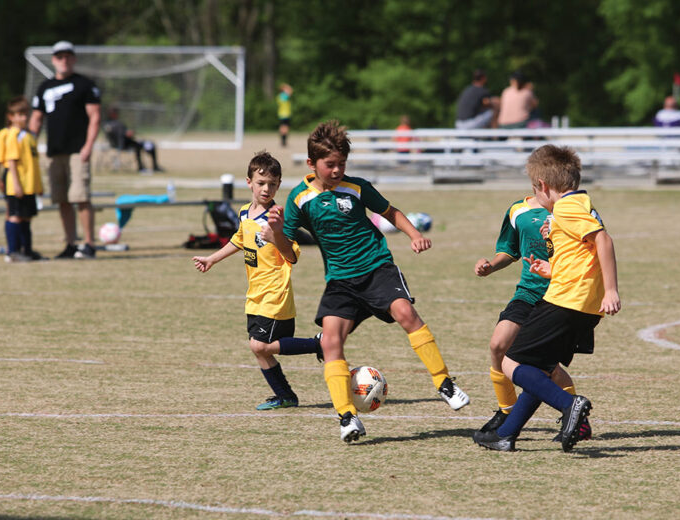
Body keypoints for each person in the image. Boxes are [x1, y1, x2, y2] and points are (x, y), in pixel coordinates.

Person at [265, 120, 470, 443]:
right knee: (331, 341)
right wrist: (276, 232)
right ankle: (347, 417)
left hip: (377, 268)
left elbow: (391, 213)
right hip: (340, 281)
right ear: (311, 164)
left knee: (406, 313)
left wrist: (414, 234)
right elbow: (289, 253)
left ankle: (444, 382)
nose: (336, 170)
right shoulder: (299, 199)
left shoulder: (357, 187)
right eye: (329, 164)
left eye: (341, 164)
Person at [472, 144, 620, 453]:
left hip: (566, 300)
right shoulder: (581, 203)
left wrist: (611, 290)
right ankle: (506, 434)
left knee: (512, 362)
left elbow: (603, 241)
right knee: (538, 370)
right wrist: (553, 268)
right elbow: (585, 254)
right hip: (581, 302)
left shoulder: (565, 207)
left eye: (535, 191)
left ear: (543, 187)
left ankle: (570, 404)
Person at [192, 151, 323, 410]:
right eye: (261, 183)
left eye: (272, 184)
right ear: (249, 182)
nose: (266, 189)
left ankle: (320, 344)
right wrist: (212, 259)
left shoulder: (277, 220)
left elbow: (292, 256)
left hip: (275, 294)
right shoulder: (244, 213)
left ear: (279, 185)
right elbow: (239, 240)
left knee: (259, 345)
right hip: (255, 295)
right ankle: (285, 396)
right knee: (259, 350)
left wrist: (276, 237)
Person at [473, 195, 590, 441]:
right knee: (498, 346)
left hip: (558, 295)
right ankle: (506, 412)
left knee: (549, 368)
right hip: (527, 292)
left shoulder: (569, 210)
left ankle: (579, 421)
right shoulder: (518, 210)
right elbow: (509, 250)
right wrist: (491, 265)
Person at [29, 40, 101, 260]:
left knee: (80, 196)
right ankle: (70, 244)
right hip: (54, 151)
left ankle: (88, 244)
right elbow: (36, 119)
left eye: (68, 56)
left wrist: (88, 146)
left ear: (74, 59)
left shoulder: (84, 85)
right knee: (62, 200)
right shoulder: (45, 87)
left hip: (77, 151)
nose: (64, 61)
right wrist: (29, 145)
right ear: (53, 60)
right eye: (59, 57)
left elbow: (95, 117)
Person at [2, 96, 44, 262]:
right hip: (17, 185)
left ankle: (27, 251)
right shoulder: (14, 135)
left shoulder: (28, 135)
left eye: (26, 114)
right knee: (15, 216)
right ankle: (13, 251)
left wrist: (38, 185)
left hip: (30, 185)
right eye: (19, 114)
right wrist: (17, 184)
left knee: (26, 217)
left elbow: (33, 162)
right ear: (11, 117)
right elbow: (11, 161)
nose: (24, 118)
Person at [103, 106, 164, 173]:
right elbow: (123, 134)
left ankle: (148, 166)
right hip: (123, 144)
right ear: (113, 114)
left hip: (115, 144)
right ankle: (143, 167)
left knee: (144, 144)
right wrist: (129, 133)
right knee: (139, 146)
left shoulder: (107, 124)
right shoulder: (116, 124)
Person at [276, 83, 293, 147]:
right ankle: (284, 141)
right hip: (285, 114)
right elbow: (290, 90)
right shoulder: (283, 96)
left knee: (282, 127)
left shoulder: (279, 96)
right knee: (285, 127)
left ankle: (283, 141)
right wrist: (287, 86)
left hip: (281, 114)